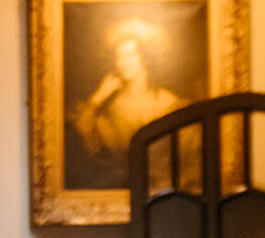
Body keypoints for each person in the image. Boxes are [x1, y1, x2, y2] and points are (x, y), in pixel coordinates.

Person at [69, 17, 185, 162]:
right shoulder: (112, 109)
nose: (123, 62)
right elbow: (84, 139)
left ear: (147, 58)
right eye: (119, 57)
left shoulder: (169, 103)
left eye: (131, 55)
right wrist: (98, 97)